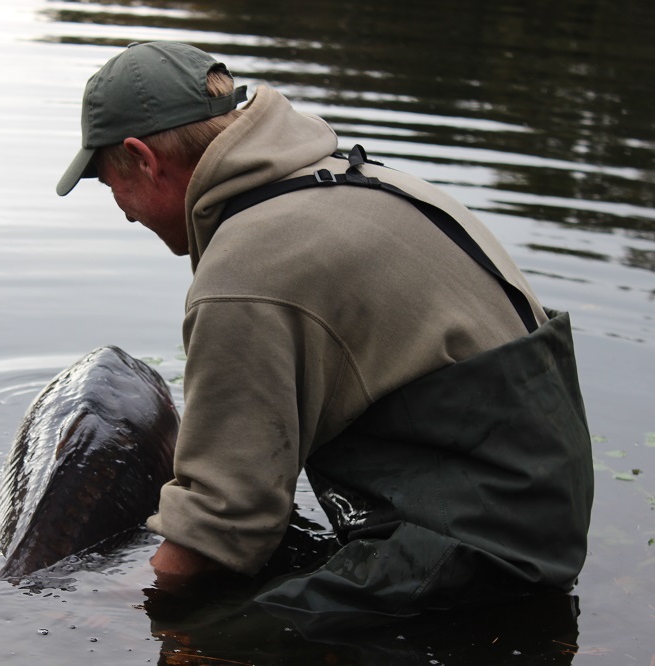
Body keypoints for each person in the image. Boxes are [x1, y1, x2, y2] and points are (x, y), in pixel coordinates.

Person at [56, 41, 594, 631]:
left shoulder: (247, 268)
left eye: (110, 185)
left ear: (143, 157)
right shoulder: (350, 180)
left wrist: (117, 603)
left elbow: (222, 522)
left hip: (485, 543)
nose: (125, 212)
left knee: (210, 633)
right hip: (540, 502)